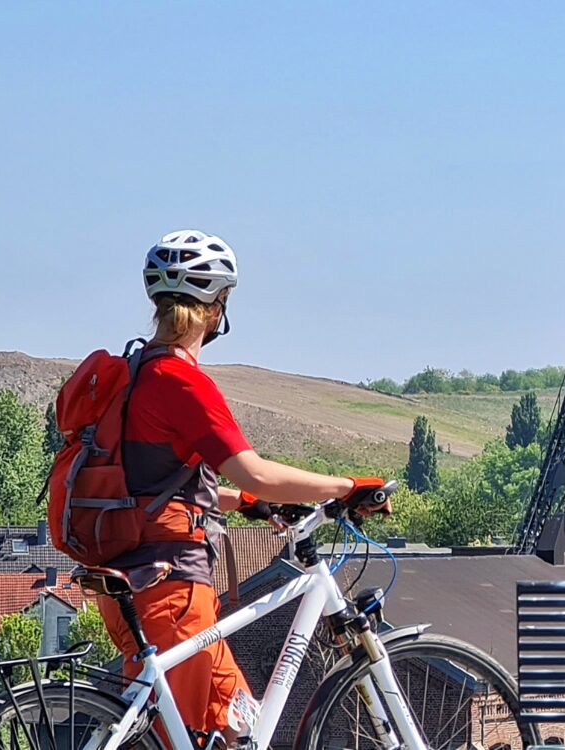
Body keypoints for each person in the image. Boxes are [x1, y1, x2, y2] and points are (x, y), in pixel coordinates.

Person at [105, 229, 389, 740]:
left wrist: (243, 504)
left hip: (131, 581)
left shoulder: (133, 373)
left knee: (233, 728)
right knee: (203, 734)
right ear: (215, 308)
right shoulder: (181, 382)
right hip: (172, 591)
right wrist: (344, 487)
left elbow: (149, 486)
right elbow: (252, 468)